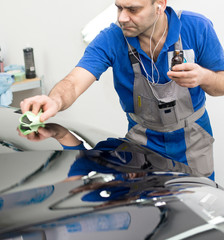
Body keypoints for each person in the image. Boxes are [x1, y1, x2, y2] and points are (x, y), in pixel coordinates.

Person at [20, 0, 224, 180]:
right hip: (143, 143)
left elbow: (221, 85)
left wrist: (204, 77)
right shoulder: (112, 38)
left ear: (160, 5)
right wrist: (54, 101)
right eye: (118, 8)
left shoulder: (196, 27)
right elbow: (73, 83)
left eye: (133, 9)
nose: (122, 17)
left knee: (200, 206)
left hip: (193, 140)